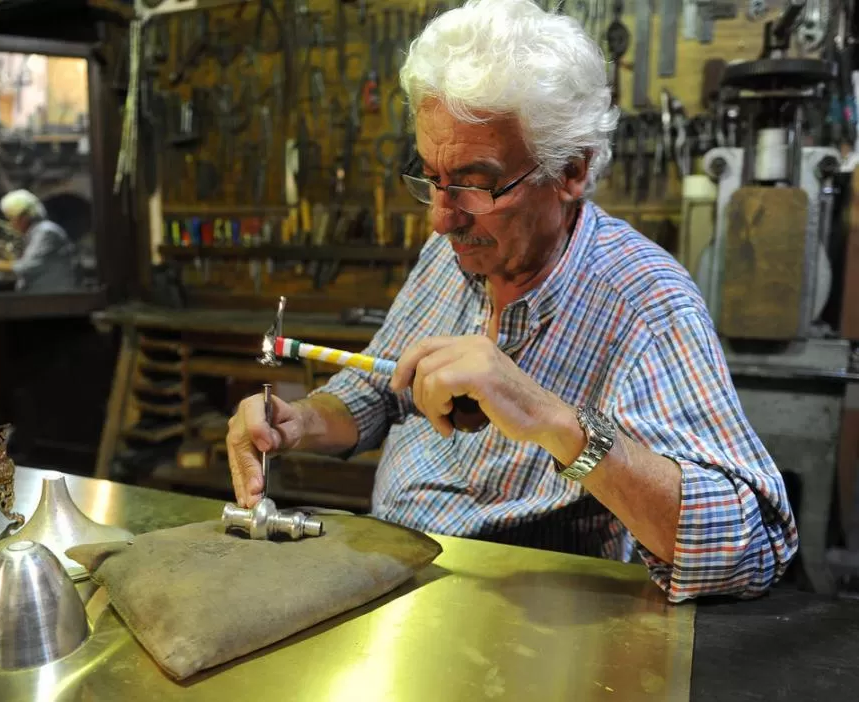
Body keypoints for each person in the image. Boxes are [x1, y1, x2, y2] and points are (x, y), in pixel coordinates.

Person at [226, 0, 797, 602]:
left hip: (529, 623)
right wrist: (302, 423)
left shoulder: (648, 307)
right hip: (397, 578)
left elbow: (749, 550)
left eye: (475, 183)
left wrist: (556, 422)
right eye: (431, 178)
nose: (442, 219)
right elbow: (379, 389)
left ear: (571, 170)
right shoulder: (455, 254)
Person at [0, 189, 76, 294]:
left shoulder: (46, 232)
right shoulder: (36, 233)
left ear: (25, 216)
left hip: (51, 299)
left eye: (11, 218)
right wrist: (6, 255)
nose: (11, 224)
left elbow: (26, 267)